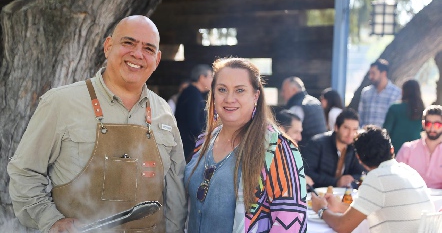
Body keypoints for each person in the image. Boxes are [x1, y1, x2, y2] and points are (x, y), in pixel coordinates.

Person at [7, 16, 187, 233]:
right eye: (128, 43)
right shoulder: (60, 102)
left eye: (148, 49)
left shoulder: (164, 113)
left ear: (157, 60)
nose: (138, 54)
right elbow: (24, 173)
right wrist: (51, 220)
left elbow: (176, 192)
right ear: (108, 46)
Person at [185, 58, 307, 233]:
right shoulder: (203, 141)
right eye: (222, 90)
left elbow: (291, 223)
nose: (229, 98)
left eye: (240, 90)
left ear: (255, 95)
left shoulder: (276, 147)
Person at [311, 126, 434, 233]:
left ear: (359, 158)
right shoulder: (409, 171)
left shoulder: (377, 178)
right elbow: (375, 211)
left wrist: (321, 209)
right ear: (391, 150)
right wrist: (339, 207)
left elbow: (343, 227)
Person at [303, 109, 365, 188]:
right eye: (346, 128)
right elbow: (307, 173)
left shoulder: (355, 147)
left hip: (344, 194)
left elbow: (362, 173)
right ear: (336, 127)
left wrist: (352, 179)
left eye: (354, 129)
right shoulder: (317, 144)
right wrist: (336, 182)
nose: (350, 134)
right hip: (316, 193)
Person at [396, 105, 442, 189]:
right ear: (423, 124)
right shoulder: (408, 149)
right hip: (411, 198)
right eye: (428, 124)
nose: (432, 128)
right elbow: (396, 179)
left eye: (437, 124)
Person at [175, 64, 213, 162]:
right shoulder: (192, 94)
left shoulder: (192, 92)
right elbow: (193, 123)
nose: (212, 80)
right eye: (210, 76)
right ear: (201, 77)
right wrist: (203, 142)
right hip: (189, 145)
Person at [281, 76, 327, 146]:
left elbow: (289, 133)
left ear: (293, 90)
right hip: (321, 148)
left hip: (306, 151)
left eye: (284, 90)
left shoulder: (297, 107)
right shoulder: (315, 101)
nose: (282, 94)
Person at [383, 79, 424, 153]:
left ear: (403, 91)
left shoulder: (394, 108)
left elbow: (386, 131)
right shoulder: (421, 110)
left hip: (395, 150)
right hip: (415, 150)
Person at [275, 109, 314, 186]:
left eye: (300, 132)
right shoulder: (269, 152)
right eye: (296, 132)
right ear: (281, 130)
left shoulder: (290, 152)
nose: (300, 138)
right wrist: (298, 179)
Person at [358, 59, 401, 127]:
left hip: (386, 136)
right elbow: (360, 117)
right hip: (367, 136)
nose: (370, 77)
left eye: (373, 73)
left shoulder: (396, 93)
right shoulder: (366, 92)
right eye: (370, 73)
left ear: (384, 73)